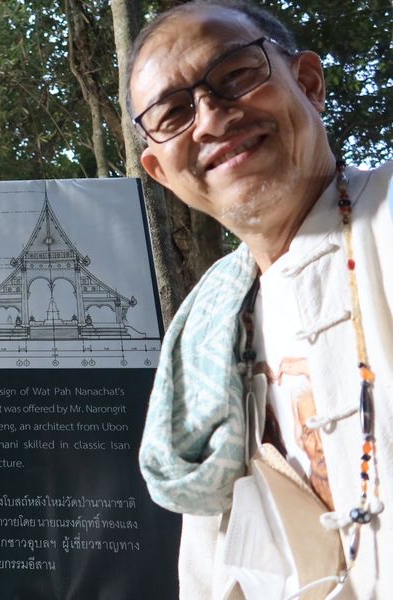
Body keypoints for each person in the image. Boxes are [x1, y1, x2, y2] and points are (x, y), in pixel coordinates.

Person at [131, 1, 392, 598]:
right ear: (160, 171)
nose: (210, 119)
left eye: (236, 75)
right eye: (173, 113)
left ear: (308, 83)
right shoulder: (207, 325)